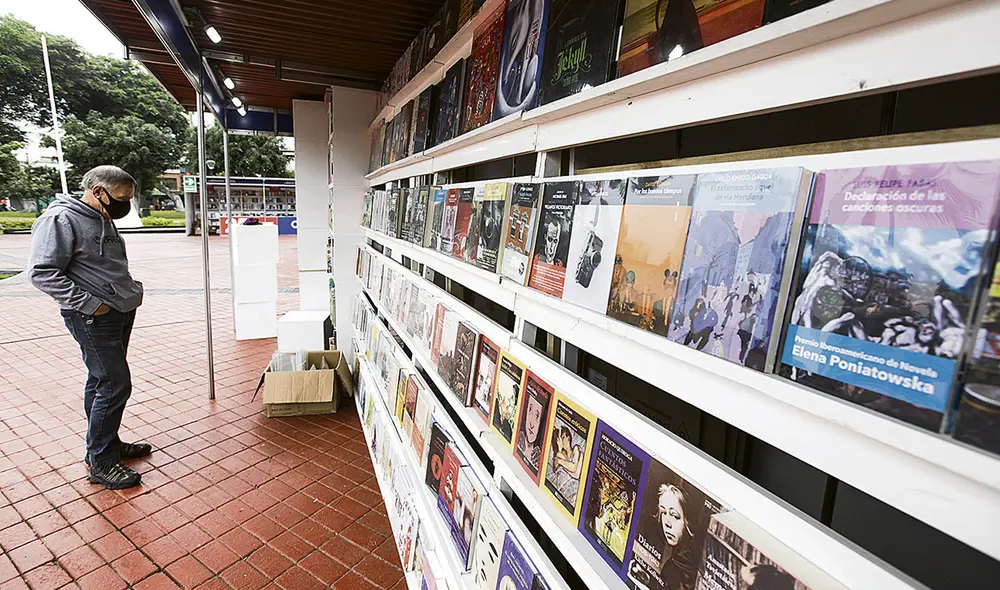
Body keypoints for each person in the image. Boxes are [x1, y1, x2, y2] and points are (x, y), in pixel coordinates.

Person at [28, 166, 150, 490]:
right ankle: (101, 461)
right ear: (98, 191)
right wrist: (91, 304)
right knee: (114, 383)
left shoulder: (103, 216)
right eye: (120, 199)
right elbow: (42, 272)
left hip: (118, 311)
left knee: (101, 381)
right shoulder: (60, 220)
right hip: (92, 316)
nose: (124, 205)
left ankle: (106, 444)